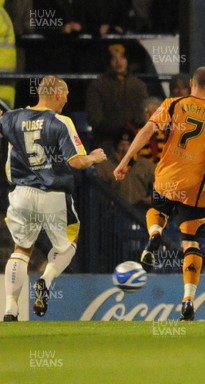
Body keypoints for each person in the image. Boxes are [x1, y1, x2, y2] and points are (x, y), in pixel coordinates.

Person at [113, 67, 205, 321]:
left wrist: (126, 160)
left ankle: (154, 234)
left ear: (191, 83)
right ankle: (188, 299)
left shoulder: (173, 104)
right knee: (190, 241)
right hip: (196, 185)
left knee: (157, 211)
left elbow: (147, 131)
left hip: (168, 177)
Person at [1, 76, 107, 321]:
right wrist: (94, 157)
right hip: (53, 195)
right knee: (68, 244)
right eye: (66, 93)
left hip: (20, 195)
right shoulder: (60, 122)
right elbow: (77, 162)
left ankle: (10, 310)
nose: (68, 98)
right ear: (57, 94)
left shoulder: (12, 118)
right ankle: (45, 282)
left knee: (21, 250)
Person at [86, 44, 148, 148]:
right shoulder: (97, 86)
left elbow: (143, 116)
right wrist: (119, 132)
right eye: (114, 58)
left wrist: (130, 131)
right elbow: (94, 119)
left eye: (122, 57)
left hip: (136, 141)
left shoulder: (139, 86)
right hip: (106, 141)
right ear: (108, 62)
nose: (119, 62)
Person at [95, 131, 155, 211]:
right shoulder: (106, 166)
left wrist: (153, 197)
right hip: (115, 212)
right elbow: (98, 189)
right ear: (116, 147)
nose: (125, 148)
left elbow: (160, 183)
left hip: (140, 212)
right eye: (122, 145)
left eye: (128, 144)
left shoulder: (147, 165)